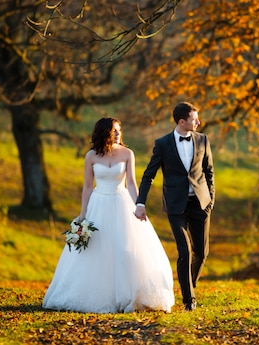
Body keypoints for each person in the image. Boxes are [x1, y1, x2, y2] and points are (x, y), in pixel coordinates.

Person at [42, 117, 174, 313]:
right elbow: (87, 186)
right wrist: (82, 214)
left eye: (119, 130)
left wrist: (139, 205)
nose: (118, 133)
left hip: (121, 203)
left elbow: (131, 183)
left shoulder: (128, 154)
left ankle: (127, 294)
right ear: (104, 132)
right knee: (95, 250)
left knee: (124, 248)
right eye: (114, 130)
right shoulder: (91, 156)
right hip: (99, 204)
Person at [135, 102, 215, 311]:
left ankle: (190, 284)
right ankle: (189, 300)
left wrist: (211, 200)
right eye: (194, 118)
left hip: (200, 204)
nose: (198, 121)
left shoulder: (203, 140)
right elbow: (149, 175)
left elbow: (209, 172)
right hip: (175, 206)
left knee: (202, 253)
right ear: (182, 121)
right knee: (184, 251)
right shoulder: (162, 144)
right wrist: (140, 202)